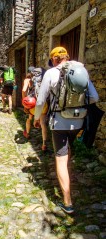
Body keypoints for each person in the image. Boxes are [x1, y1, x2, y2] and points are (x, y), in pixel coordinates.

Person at [34, 46, 99, 213]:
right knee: (68, 151)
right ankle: (68, 177)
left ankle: (67, 201)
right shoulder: (81, 70)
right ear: (67, 57)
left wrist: (36, 118)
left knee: (60, 159)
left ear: (55, 59)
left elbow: (41, 100)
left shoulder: (51, 73)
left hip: (60, 123)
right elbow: (94, 97)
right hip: (78, 122)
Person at [22, 67, 48, 151]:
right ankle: (44, 144)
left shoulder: (27, 80)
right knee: (43, 123)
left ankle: (27, 133)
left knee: (29, 118)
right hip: (43, 102)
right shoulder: (42, 79)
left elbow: (24, 90)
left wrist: (24, 102)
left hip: (32, 103)